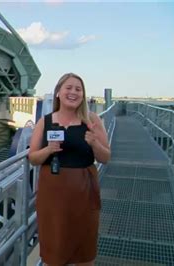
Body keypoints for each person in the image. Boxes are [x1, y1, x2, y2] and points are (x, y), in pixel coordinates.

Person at [28, 73, 111, 265]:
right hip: (52, 195)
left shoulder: (92, 120)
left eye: (78, 89)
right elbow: (33, 158)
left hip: (84, 191)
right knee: (54, 248)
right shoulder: (45, 121)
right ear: (58, 93)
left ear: (83, 95)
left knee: (85, 248)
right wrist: (48, 149)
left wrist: (94, 143)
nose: (73, 92)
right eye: (69, 88)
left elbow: (105, 158)